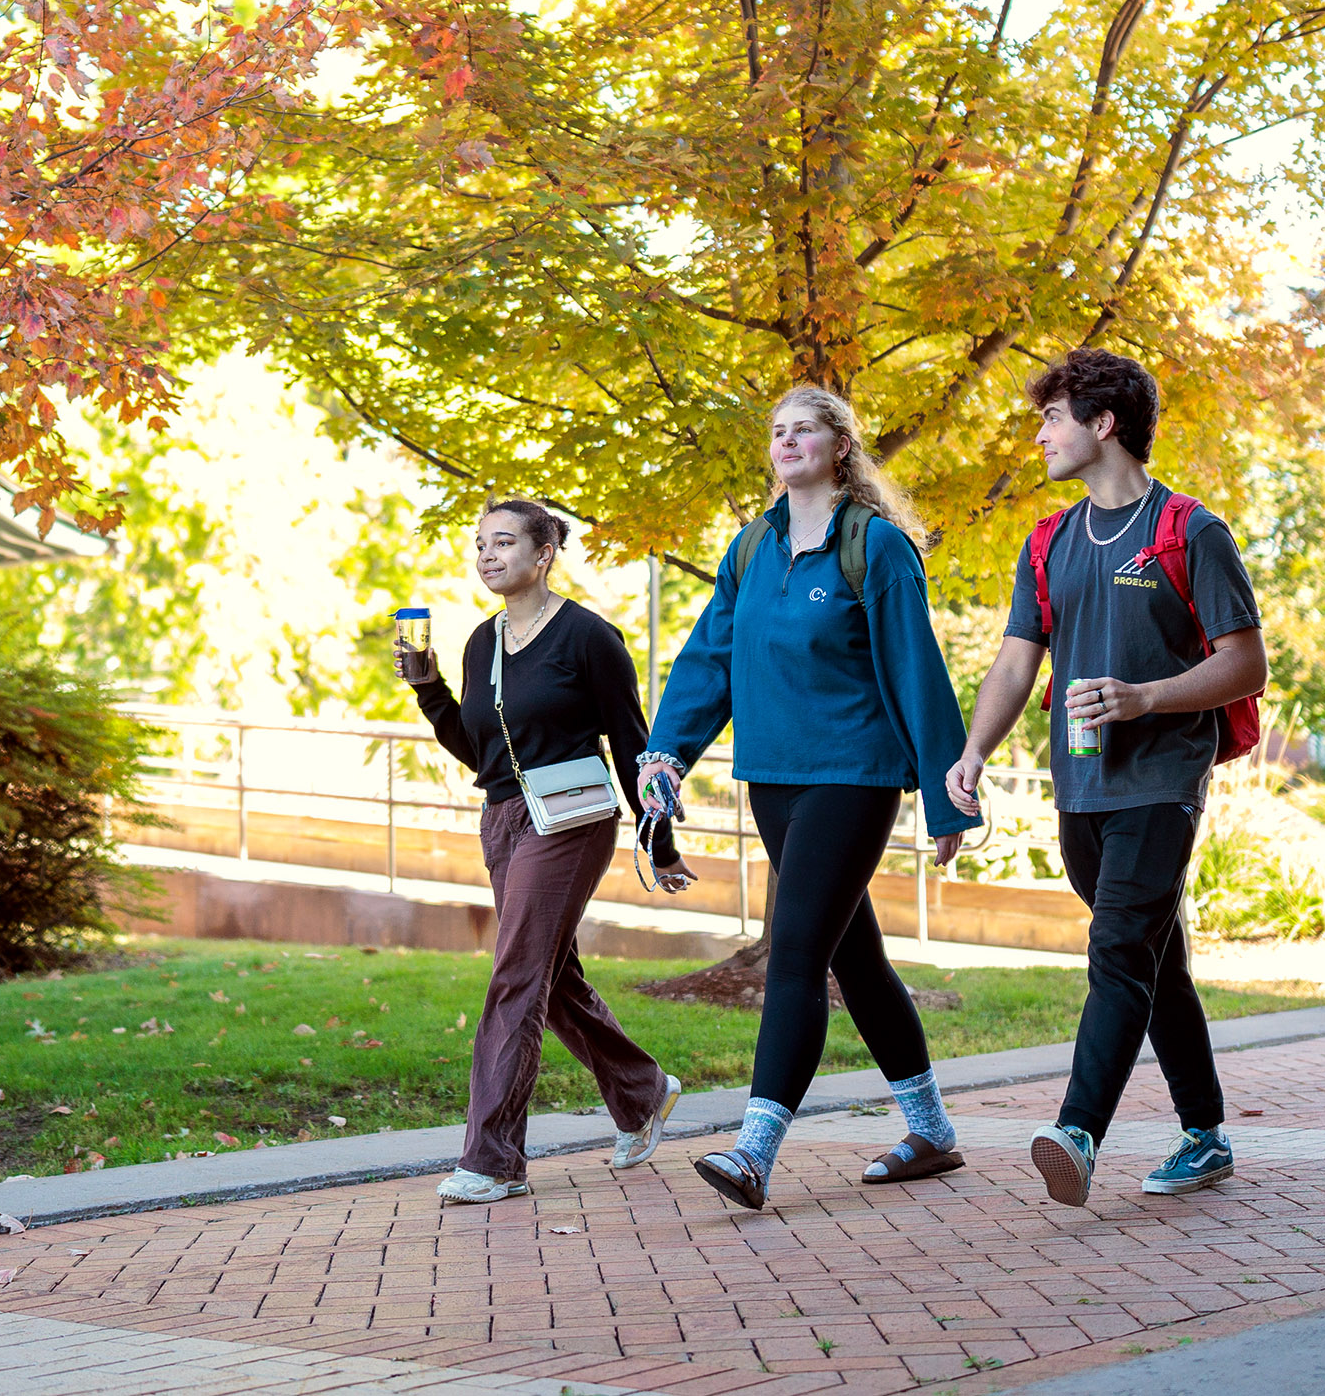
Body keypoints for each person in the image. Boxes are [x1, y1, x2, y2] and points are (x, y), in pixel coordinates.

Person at [642, 385, 983, 1211]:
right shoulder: (751, 547)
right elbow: (709, 658)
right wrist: (668, 751)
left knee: (793, 951)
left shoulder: (877, 547)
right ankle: (932, 1132)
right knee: (852, 957)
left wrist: (948, 800)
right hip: (774, 778)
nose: (788, 441)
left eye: (805, 430)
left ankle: (754, 1152)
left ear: (840, 447)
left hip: (854, 776)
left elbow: (916, 671)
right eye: (778, 431)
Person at [947, 347, 1269, 1208]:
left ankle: (1078, 1130)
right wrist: (974, 749)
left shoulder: (1189, 530)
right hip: (1079, 786)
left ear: (1104, 423)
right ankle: (1204, 1134)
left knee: (1119, 948)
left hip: (1162, 778)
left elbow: (1245, 664)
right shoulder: (1049, 542)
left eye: (1053, 417)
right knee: (1154, 959)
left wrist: (1148, 698)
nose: (1041, 435)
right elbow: (1017, 662)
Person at [400, 498, 692, 1206]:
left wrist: (660, 838)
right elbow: (481, 751)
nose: (487, 555)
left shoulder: (588, 637)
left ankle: (493, 1159)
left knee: (515, 976)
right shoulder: (481, 642)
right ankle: (641, 1091)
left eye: (503, 542)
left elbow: (632, 739)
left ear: (543, 554)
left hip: (570, 820)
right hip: (502, 819)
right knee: (548, 975)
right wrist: (430, 690)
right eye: (480, 545)